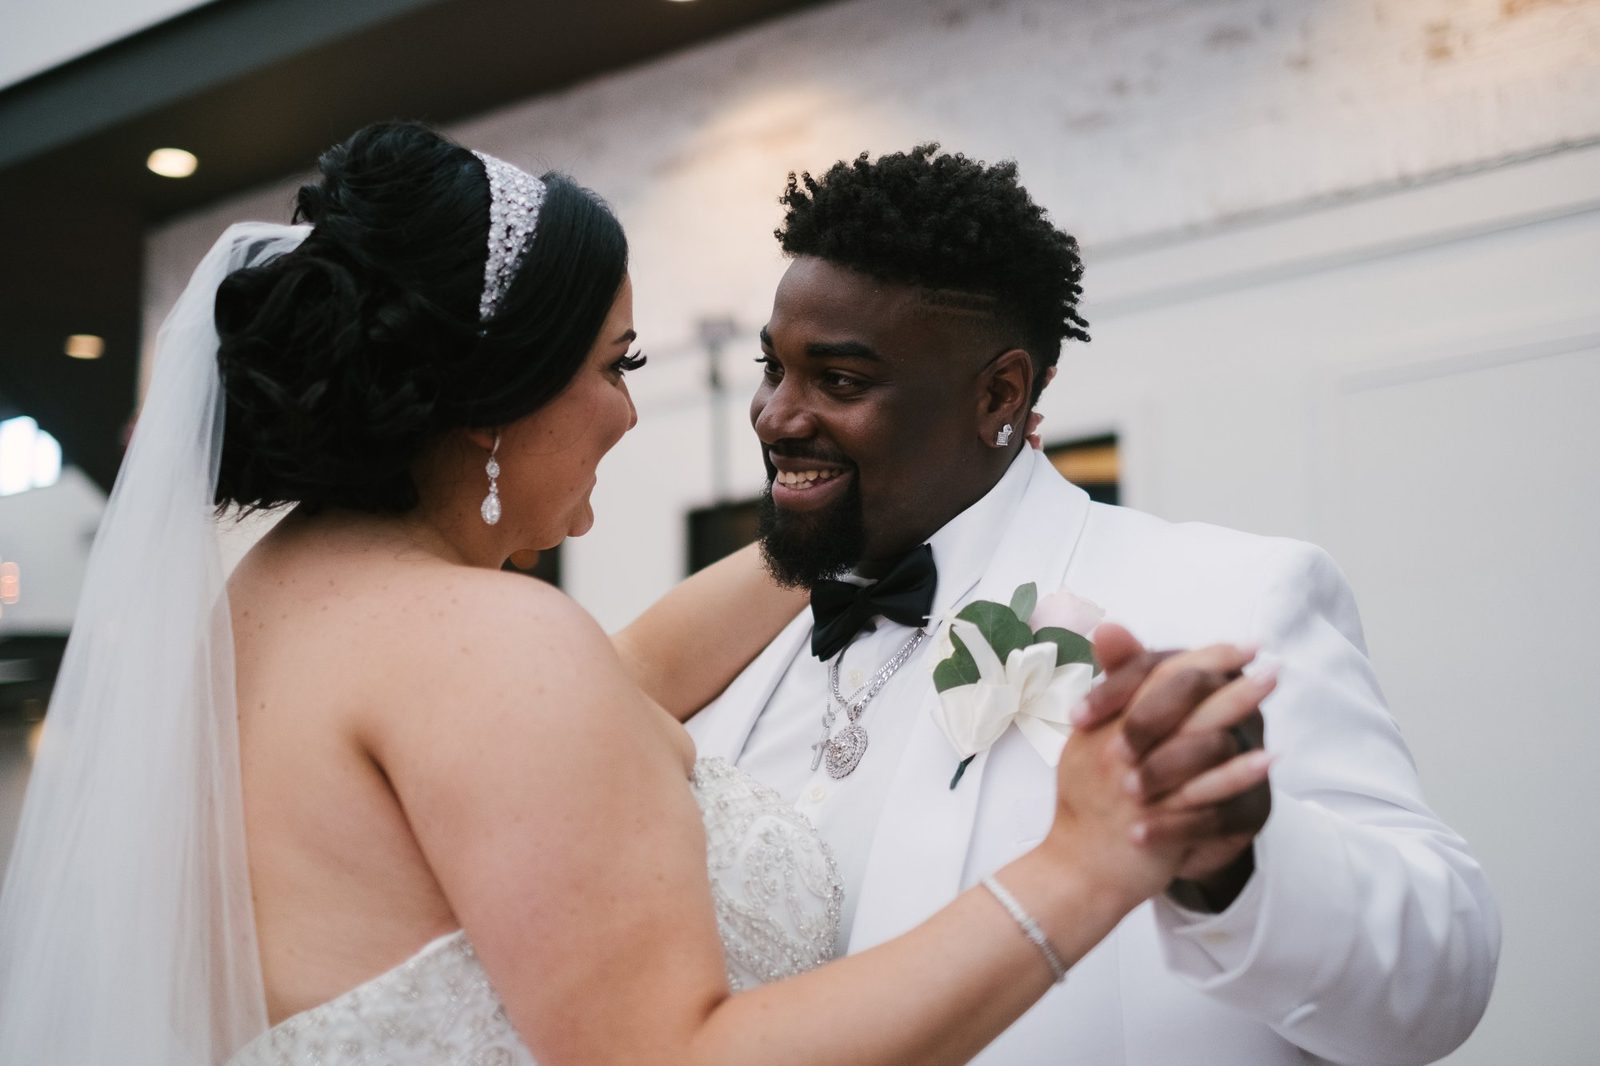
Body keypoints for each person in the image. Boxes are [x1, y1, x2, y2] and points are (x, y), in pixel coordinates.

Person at [0, 123, 1272, 1066]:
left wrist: (885, 493)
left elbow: (624, 677)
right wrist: (1090, 862)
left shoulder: (273, 604)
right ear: (499, 394)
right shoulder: (488, 644)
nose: (627, 405)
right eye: (617, 363)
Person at [687, 144, 1502, 1065]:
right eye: (773, 369)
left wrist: (1241, 867)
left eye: (838, 381)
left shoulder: (1216, 598)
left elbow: (1443, 976)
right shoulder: (739, 655)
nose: (775, 415)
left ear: (1001, 393)